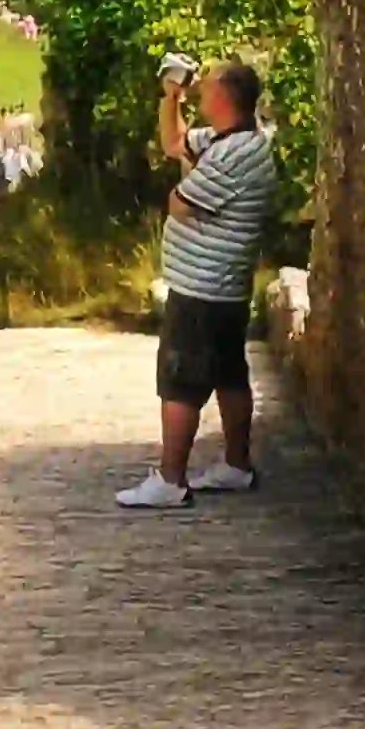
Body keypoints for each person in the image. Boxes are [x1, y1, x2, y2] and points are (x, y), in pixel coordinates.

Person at [120, 54, 278, 510]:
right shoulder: (233, 139)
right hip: (223, 285)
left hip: (204, 288)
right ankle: (236, 465)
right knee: (229, 374)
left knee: (180, 379)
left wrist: (189, 181)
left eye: (206, 86)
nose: (201, 91)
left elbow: (179, 202)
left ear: (224, 97)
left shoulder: (235, 154)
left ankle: (170, 479)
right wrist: (172, 97)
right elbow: (174, 143)